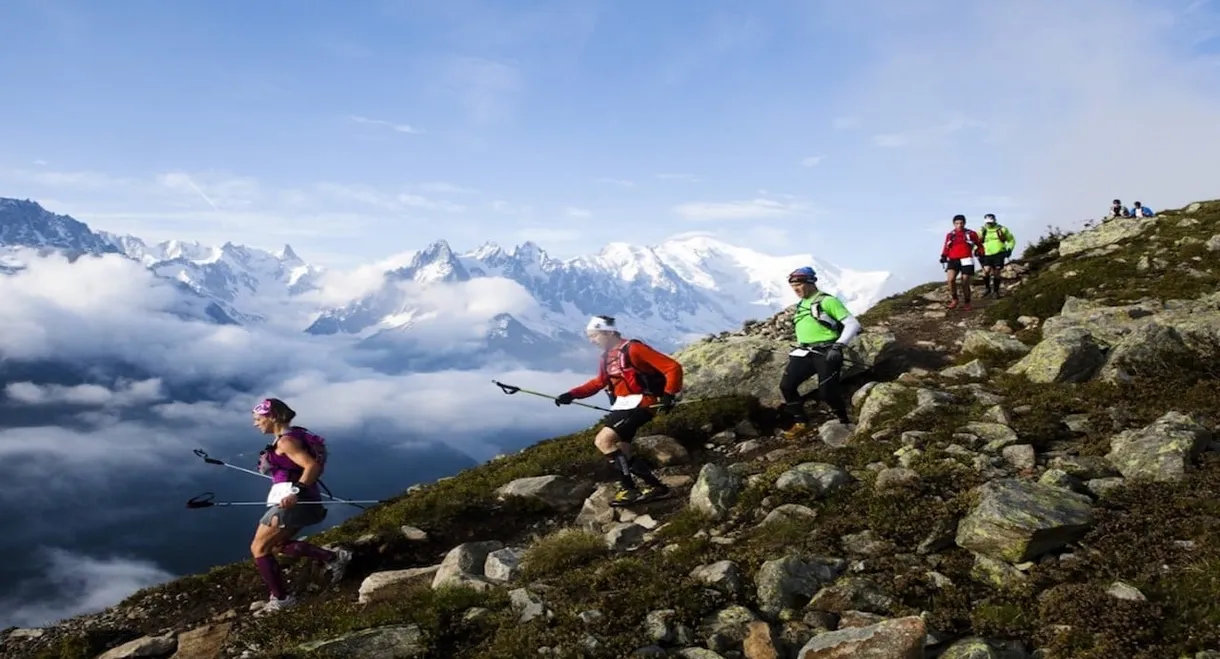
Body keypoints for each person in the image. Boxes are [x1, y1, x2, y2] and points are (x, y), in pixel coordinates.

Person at [555, 315, 683, 506]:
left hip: (641, 403)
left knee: (603, 441)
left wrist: (668, 394)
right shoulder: (606, 356)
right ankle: (656, 487)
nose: (592, 341)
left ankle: (628, 489)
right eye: (590, 337)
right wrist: (572, 394)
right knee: (623, 450)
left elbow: (672, 367)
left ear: (608, 332)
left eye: (594, 336)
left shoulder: (634, 348)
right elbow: (599, 382)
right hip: (623, 404)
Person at [249, 398, 352, 614]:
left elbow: (312, 466)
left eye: (259, 419)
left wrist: (296, 491)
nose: (255, 423)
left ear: (272, 417)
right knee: (277, 545)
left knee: (259, 548)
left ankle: (283, 600)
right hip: (306, 501)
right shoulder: (293, 435)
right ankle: (333, 558)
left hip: (296, 503)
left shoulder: (286, 442)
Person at [778, 267, 862, 439]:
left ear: (811, 283)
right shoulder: (802, 304)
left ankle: (844, 421)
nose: (796, 289)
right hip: (805, 351)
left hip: (827, 351)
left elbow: (853, 324)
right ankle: (801, 422)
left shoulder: (827, 301)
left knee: (827, 392)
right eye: (793, 286)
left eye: (799, 284)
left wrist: (838, 346)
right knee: (786, 386)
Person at [939, 214, 983, 310]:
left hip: (967, 259)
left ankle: (967, 302)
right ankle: (955, 299)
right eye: (957, 223)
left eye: (961, 223)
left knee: (965, 281)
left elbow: (979, 244)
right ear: (954, 224)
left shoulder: (971, 233)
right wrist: (943, 255)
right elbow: (946, 247)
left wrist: (980, 252)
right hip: (953, 259)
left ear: (964, 223)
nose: (959, 225)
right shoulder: (950, 235)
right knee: (950, 279)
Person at [978, 214, 1016, 298]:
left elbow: (1011, 240)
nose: (989, 224)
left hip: (999, 253)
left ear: (995, 221)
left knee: (997, 271)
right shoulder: (981, 230)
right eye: (987, 223)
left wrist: (1009, 249)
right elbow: (977, 242)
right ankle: (987, 288)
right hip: (986, 253)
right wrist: (976, 250)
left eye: (991, 222)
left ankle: (995, 291)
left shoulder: (1002, 229)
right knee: (986, 271)